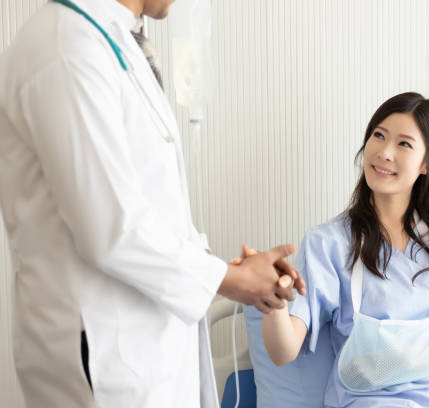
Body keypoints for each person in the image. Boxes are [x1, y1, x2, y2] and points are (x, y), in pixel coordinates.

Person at [0, 0, 304, 407]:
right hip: (103, 356)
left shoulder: (113, 40)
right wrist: (229, 280)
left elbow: (139, 207)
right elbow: (111, 229)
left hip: (143, 342)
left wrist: (222, 269)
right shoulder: (67, 47)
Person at [258, 92, 429, 407]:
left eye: (404, 144)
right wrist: (273, 301)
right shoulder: (329, 244)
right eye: (378, 135)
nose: (384, 152)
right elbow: (282, 350)